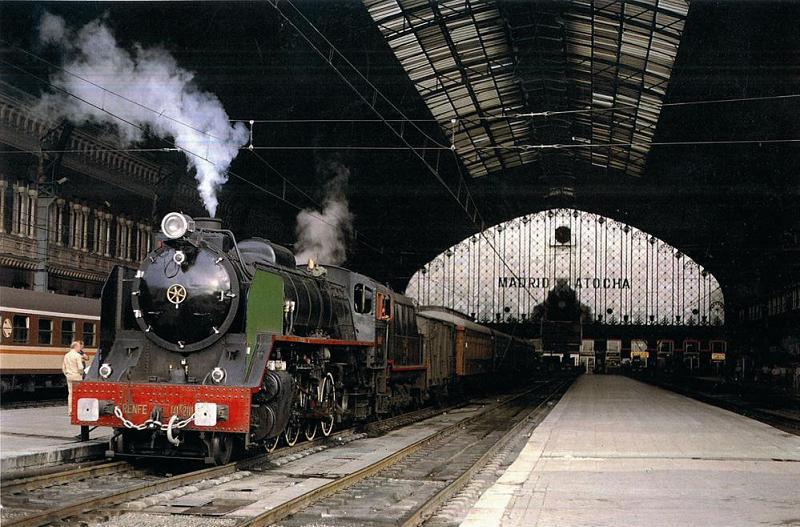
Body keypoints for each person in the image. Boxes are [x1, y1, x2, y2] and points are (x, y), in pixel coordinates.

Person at [62, 341, 87, 416]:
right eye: (79, 347)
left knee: (70, 393)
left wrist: (66, 374)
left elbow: (63, 367)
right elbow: (80, 367)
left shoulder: (66, 355)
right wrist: (82, 373)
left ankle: (70, 410)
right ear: (75, 347)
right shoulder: (77, 355)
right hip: (77, 376)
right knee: (79, 393)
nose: (80, 348)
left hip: (69, 376)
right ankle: (77, 410)